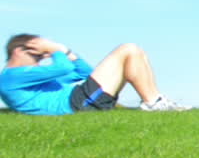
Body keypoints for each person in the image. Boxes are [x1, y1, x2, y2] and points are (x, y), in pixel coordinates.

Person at [0, 34, 189, 114]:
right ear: (18, 51)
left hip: (80, 100)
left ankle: (154, 101)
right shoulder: (10, 77)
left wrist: (67, 52)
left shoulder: (34, 79)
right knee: (128, 49)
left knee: (136, 53)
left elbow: (85, 72)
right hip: (77, 104)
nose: (41, 59)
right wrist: (57, 49)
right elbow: (64, 69)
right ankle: (153, 103)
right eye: (37, 54)